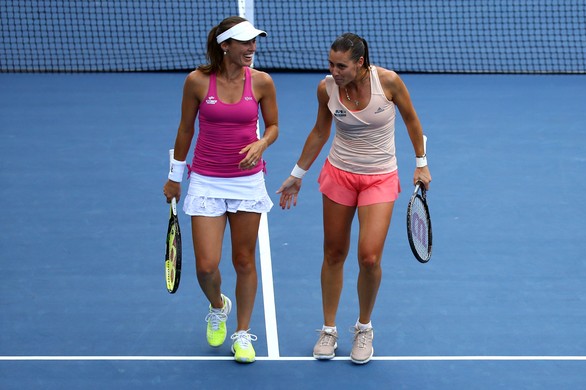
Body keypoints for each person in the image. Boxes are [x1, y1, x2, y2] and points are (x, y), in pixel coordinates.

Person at [276, 33, 431, 364]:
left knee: (369, 258)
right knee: (333, 252)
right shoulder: (326, 89)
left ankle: (364, 327)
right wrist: (297, 174)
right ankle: (328, 329)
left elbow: (412, 121)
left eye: (341, 66)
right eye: (330, 64)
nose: (334, 71)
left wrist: (421, 163)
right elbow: (320, 131)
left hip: (379, 178)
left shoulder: (388, 82)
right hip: (339, 174)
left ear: (360, 62)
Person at [163, 16, 278, 364]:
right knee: (206, 266)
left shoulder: (261, 82)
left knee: (244, 261)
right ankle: (218, 306)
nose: (252, 48)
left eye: (254, 41)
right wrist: (174, 176)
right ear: (225, 45)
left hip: (247, 182)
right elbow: (185, 129)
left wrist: (262, 143)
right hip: (206, 181)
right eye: (245, 42)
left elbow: (273, 125)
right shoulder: (197, 82)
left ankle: (242, 334)